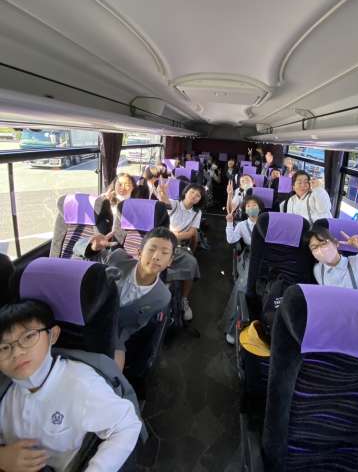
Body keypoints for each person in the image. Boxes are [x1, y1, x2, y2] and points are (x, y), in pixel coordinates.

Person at [0, 299, 141, 472]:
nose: (17, 352)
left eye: (28, 337)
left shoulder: (81, 384)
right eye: (3, 348)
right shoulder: (4, 389)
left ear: (52, 335)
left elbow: (127, 425)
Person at [74, 227, 176, 370]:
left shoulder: (162, 297)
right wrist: (91, 247)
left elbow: (131, 326)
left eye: (164, 253)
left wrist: (116, 343)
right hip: (85, 315)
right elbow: (78, 252)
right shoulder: (117, 258)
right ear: (139, 253)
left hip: (113, 333)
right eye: (151, 249)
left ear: (170, 261)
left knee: (114, 374)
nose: (156, 257)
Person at [157, 183, 205, 321]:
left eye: (198, 195)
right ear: (185, 192)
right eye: (192, 192)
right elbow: (165, 202)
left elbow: (191, 233)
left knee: (192, 262)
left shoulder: (197, 213)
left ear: (200, 200)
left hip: (179, 244)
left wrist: (175, 236)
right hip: (163, 241)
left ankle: (184, 298)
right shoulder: (175, 204)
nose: (194, 196)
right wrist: (163, 192)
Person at [224, 196, 265, 344]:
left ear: (260, 207)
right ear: (245, 210)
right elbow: (231, 239)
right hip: (251, 257)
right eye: (248, 206)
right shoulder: (242, 225)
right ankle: (234, 326)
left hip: (269, 257)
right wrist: (229, 222)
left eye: (254, 205)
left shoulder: (268, 222)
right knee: (243, 287)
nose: (251, 208)